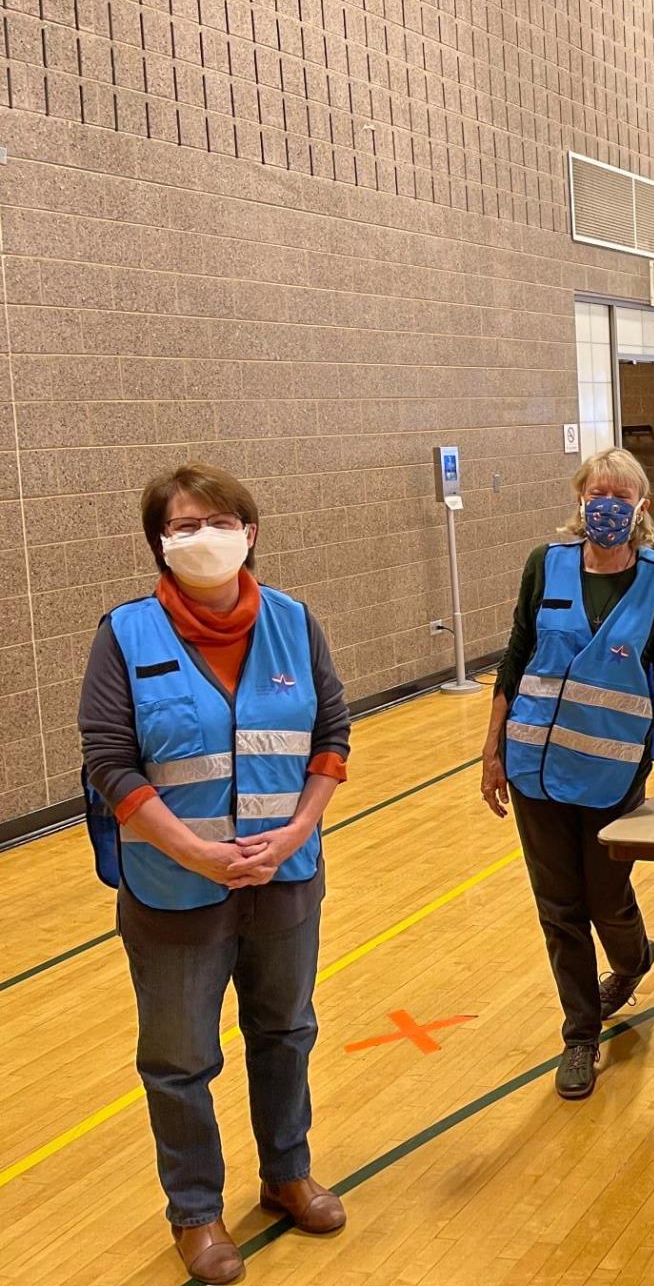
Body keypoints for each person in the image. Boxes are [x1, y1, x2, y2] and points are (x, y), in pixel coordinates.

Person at [79, 465, 351, 1285]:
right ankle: (195, 1212)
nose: (205, 536)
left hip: (285, 877)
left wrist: (298, 829)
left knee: (284, 1032)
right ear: (160, 544)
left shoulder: (296, 623)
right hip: (173, 891)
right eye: (185, 525)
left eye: (220, 520)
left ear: (251, 531)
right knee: (179, 1058)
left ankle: (286, 1174)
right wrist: (191, 850)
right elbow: (111, 765)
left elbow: (332, 736)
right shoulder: (124, 634)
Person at [480, 448, 654, 1101]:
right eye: (598, 492)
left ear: (641, 506)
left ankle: (633, 957)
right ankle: (580, 1036)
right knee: (558, 909)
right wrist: (492, 748)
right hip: (534, 763)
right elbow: (516, 655)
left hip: (610, 768)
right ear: (580, 496)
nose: (608, 505)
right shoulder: (546, 564)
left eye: (622, 495)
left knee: (605, 897)